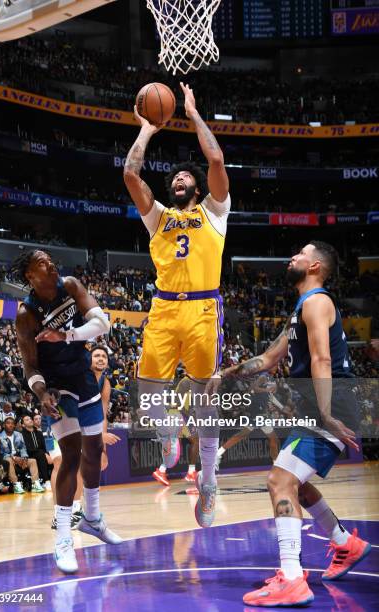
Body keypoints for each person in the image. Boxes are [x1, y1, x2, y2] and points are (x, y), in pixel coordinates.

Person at [209, 242, 371, 607]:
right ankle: (346, 543)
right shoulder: (302, 307)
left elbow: (322, 359)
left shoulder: (317, 302)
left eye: (300, 253)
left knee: (279, 481)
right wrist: (226, 373)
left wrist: (328, 414)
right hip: (319, 408)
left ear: (314, 266)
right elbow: (267, 359)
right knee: (295, 484)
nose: (292, 257)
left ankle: (293, 579)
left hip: (328, 407)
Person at [124, 82, 230, 527]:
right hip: (164, 309)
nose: (178, 180)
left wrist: (190, 112)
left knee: (205, 402)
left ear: (198, 186)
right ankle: (168, 439)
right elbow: (131, 175)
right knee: (147, 396)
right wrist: (148, 128)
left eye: (185, 177)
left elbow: (217, 160)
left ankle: (207, 483)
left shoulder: (214, 212)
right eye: (174, 179)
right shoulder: (159, 217)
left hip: (203, 309)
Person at [13, 249, 122, 574]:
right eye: (41, 263)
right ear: (30, 276)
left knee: (95, 450)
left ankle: (92, 517)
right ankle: (63, 537)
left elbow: (103, 323)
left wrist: (68, 335)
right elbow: (29, 365)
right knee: (71, 455)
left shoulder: (71, 286)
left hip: (82, 376)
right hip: (56, 388)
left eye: (48, 258)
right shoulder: (26, 314)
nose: (49, 264)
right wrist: (41, 391)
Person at [215, 374, 280, 470]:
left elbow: (271, 396)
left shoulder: (271, 380)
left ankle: (219, 452)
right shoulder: (264, 377)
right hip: (257, 411)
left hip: (261, 412)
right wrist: (267, 390)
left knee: (272, 439)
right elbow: (252, 388)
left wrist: (281, 407)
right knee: (272, 439)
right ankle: (276, 465)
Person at [152, 375, 199, 486]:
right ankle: (190, 472)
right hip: (177, 415)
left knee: (177, 443)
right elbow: (177, 404)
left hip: (178, 415)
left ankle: (162, 471)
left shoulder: (189, 384)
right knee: (194, 441)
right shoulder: (186, 382)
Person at [89, 345, 121, 470]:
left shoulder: (105, 382)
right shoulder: (81, 378)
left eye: (104, 356)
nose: (101, 359)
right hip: (69, 422)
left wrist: (103, 446)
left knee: (101, 462)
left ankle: (89, 489)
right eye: (96, 356)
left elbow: (102, 413)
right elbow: (75, 414)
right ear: (88, 360)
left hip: (88, 425)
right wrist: (98, 437)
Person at [0, 416, 44, 494]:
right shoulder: (0, 436)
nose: (10, 425)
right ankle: (16, 485)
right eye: (8, 423)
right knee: (8, 460)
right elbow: (3, 453)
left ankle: (35, 483)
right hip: (8, 457)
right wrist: (14, 458)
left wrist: (24, 457)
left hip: (19, 456)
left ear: (15, 425)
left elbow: (23, 447)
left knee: (32, 461)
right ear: (4, 425)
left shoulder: (18, 434)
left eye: (12, 423)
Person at [21, 414, 52, 490]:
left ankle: (54, 480)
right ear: (23, 424)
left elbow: (44, 447)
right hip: (29, 455)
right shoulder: (22, 434)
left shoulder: (39, 433)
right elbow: (28, 448)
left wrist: (47, 454)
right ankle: (46, 481)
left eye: (30, 419)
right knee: (41, 454)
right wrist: (44, 453)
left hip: (40, 454)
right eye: (27, 420)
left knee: (51, 456)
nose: (30, 420)